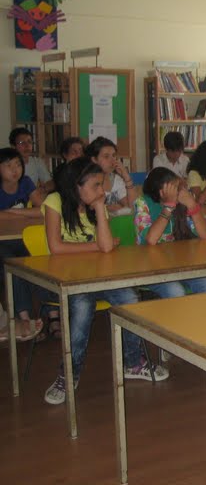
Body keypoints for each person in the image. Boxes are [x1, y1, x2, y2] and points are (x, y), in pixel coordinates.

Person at [42, 157, 168, 405]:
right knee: (82, 309)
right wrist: (95, 246)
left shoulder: (95, 206)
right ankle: (68, 374)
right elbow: (56, 247)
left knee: (129, 298)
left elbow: (108, 247)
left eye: (102, 184)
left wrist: (100, 208)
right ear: (76, 186)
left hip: (100, 276)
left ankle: (133, 362)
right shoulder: (55, 201)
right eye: (96, 185)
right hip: (69, 279)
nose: (102, 190)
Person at [133, 167, 206, 298]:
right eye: (174, 188)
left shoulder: (181, 202)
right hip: (153, 268)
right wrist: (168, 206)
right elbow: (151, 239)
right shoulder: (142, 202)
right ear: (161, 192)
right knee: (175, 291)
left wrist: (192, 205)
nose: (178, 191)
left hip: (182, 265)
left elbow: (204, 235)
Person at [0, 147, 47, 343]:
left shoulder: (26, 182)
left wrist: (12, 212)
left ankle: (51, 314)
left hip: (23, 238)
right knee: (14, 264)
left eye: (18, 165)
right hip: (2, 243)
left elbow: (43, 209)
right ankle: (25, 316)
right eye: (8, 165)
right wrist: (26, 213)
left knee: (42, 258)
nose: (15, 170)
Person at [85, 136, 136, 213]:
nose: (112, 160)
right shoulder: (86, 181)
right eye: (106, 156)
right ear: (94, 159)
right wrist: (107, 208)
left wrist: (126, 177)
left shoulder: (116, 179)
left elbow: (133, 207)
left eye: (114, 155)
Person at [9, 126, 53, 192]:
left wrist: (42, 190)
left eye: (29, 142)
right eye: (22, 142)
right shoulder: (7, 165)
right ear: (13, 146)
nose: (27, 146)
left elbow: (50, 182)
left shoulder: (37, 162)